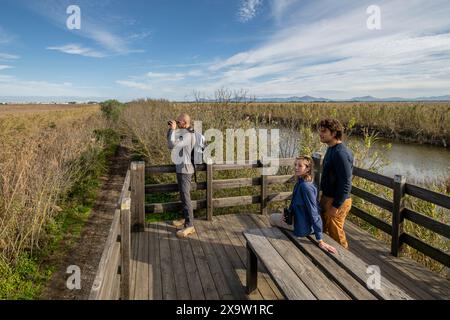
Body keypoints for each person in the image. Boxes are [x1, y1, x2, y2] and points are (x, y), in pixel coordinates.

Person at [270, 156, 337, 254]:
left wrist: (320, 240)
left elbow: (314, 212)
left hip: (302, 227)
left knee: (271, 218)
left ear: (308, 168)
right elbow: (294, 204)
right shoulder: (302, 182)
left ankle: (278, 246)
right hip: (299, 220)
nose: (296, 167)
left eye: (300, 166)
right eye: (295, 165)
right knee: (278, 217)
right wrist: (287, 215)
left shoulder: (305, 187)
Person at [318, 118, 354, 249]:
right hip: (328, 198)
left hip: (337, 201)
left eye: (324, 131)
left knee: (336, 237)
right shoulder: (331, 149)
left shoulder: (341, 153)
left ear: (334, 133)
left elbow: (346, 183)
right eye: (320, 131)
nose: (320, 134)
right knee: (324, 233)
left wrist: (336, 206)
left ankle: (346, 265)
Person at [167, 113, 196, 238]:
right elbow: (170, 142)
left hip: (185, 170)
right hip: (181, 169)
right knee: (183, 197)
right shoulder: (183, 133)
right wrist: (170, 130)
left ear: (184, 122)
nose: (177, 124)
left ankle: (190, 226)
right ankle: (185, 219)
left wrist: (173, 130)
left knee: (186, 197)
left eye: (178, 122)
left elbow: (172, 145)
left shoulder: (188, 135)